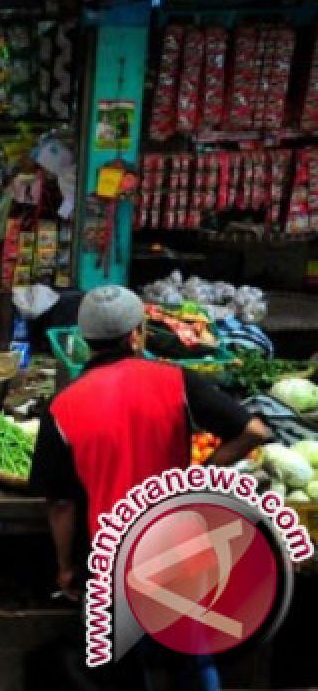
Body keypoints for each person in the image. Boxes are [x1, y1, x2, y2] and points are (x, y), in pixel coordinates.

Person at [28, 285, 269, 689]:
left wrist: (67, 567)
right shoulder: (175, 381)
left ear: (86, 341)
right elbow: (253, 431)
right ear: (136, 334)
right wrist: (203, 472)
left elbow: (61, 505)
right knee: (191, 655)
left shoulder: (64, 405)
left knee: (122, 668)